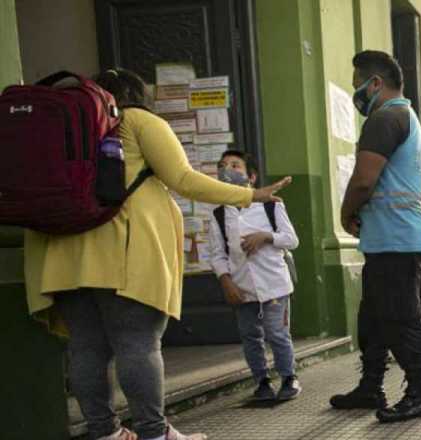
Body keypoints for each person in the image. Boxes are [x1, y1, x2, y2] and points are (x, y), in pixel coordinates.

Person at [23, 68, 290, 440]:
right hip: (121, 253)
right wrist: (250, 195)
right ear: (136, 95)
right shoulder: (136, 120)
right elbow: (182, 178)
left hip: (60, 252)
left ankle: (106, 433)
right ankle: (153, 433)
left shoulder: (60, 130)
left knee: (86, 348)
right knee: (138, 342)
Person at [331, 50, 421, 423]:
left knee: (401, 320)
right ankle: (370, 386)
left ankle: (420, 395)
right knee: (373, 320)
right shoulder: (405, 116)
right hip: (389, 238)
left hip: (397, 240)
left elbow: (363, 180)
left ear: (375, 83)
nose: (356, 90)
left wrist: (345, 213)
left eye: (358, 81)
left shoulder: (385, 117)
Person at [208, 150, 301, 402]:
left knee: (277, 333)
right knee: (251, 336)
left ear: (251, 176)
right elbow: (217, 254)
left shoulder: (270, 205)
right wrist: (226, 282)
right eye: (222, 165)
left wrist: (266, 237)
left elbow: (292, 240)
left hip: (274, 284)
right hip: (242, 286)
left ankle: (289, 377)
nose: (227, 170)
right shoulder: (218, 214)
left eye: (235, 166)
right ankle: (261, 381)